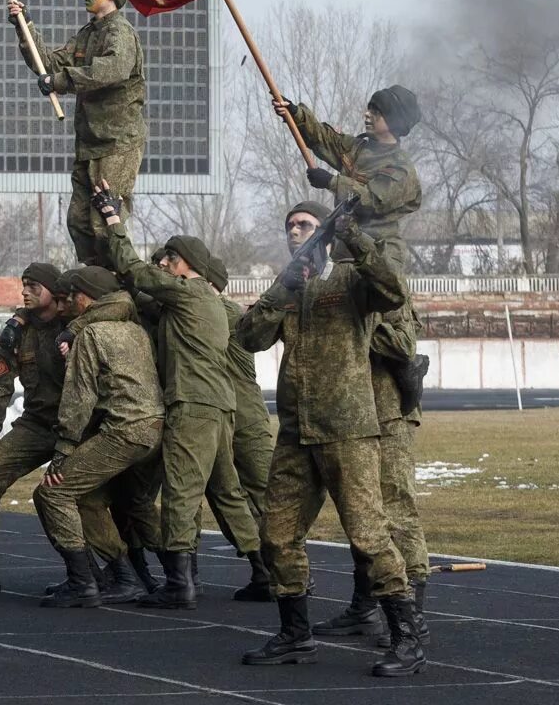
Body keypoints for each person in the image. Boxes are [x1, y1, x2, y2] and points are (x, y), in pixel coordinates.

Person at [235, 201, 424, 677]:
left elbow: (393, 290)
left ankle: (407, 637)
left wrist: (356, 239)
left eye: (306, 225)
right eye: (290, 226)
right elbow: (249, 335)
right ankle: (295, 635)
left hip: (349, 429)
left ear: (326, 232)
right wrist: (282, 289)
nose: (295, 231)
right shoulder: (290, 287)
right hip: (297, 431)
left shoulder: (350, 279)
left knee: (368, 534)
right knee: (276, 535)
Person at [94, 186, 259, 609]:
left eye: (169, 259)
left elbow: (133, 268)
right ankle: (268, 570)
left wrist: (114, 220)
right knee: (227, 493)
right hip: (219, 407)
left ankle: (179, 584)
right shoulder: (207, 302)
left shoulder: (186, 292)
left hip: (192, 405)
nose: (163, 264)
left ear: (186, 267)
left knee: (182, 492)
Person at [33, 266, 163, 608]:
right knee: (89, 499)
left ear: (84, 297)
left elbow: (79, 397)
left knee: (53, 493)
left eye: (70, 297)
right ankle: (134, 577)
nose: (66, 305)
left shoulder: (90, 335)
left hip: (124, 430)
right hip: (152, 429)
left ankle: (84, 581)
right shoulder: (134, 329)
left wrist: (62, 450)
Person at [9, 0, 145, 262]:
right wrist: (25, 26)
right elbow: (48, 65)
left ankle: (118, 282)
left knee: (105, 220)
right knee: (79, 220)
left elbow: (110, 70)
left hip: (116, 144)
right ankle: (92, 279)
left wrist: (60, 82)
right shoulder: (86, 36)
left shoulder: (120, 33)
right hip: (88, 144)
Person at [315, 301, 431, 648]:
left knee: (397, 508)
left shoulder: (384, 287)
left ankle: (415, 613)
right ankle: (364, 607)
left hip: (388, 412)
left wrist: (352, 323)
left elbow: (403, 344)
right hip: (353, 414)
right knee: (362, 511)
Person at [0, 262, 63, 594]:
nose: (25, 291)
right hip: (37, 424)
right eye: (24, 285)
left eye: (34, 286)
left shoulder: (75, 325)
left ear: (53, 291)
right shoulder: (18, 333)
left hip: (79, 426)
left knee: (64, 493)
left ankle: (92, 572)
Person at [273, 86, 421, 268]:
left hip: (378, 255)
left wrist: (331, 182)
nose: (367, 115)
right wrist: (295, 114)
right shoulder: (356, 148)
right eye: (369, 109)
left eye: (376, 112)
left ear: (394, 121)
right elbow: (323, 138)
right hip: (345, 247)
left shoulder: (401, 168)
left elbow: (371, 200)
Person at [206, 254, 276, 602]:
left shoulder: (225, 313)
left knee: (263, 494)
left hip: (244, 413)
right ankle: (264, 569)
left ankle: (286, 571)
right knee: (227, 494)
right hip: (225, 411)